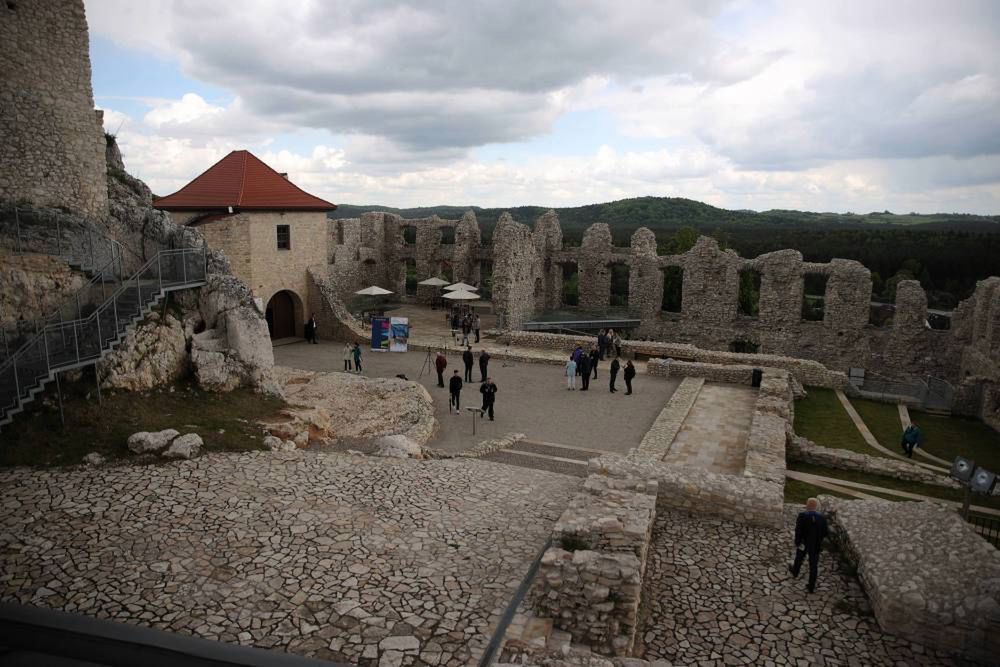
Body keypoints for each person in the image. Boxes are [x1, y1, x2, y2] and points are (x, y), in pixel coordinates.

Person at [789, 497, 829, 593]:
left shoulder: (803, 515)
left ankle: (795, 572)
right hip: (815, 544)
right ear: (816, 507)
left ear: (807, 505)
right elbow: (825, 532)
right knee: (813, 565)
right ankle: (811, 586)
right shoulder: (822, 518)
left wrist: (797, 541)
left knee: (799, 558)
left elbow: (798, 530)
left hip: (804, 542)